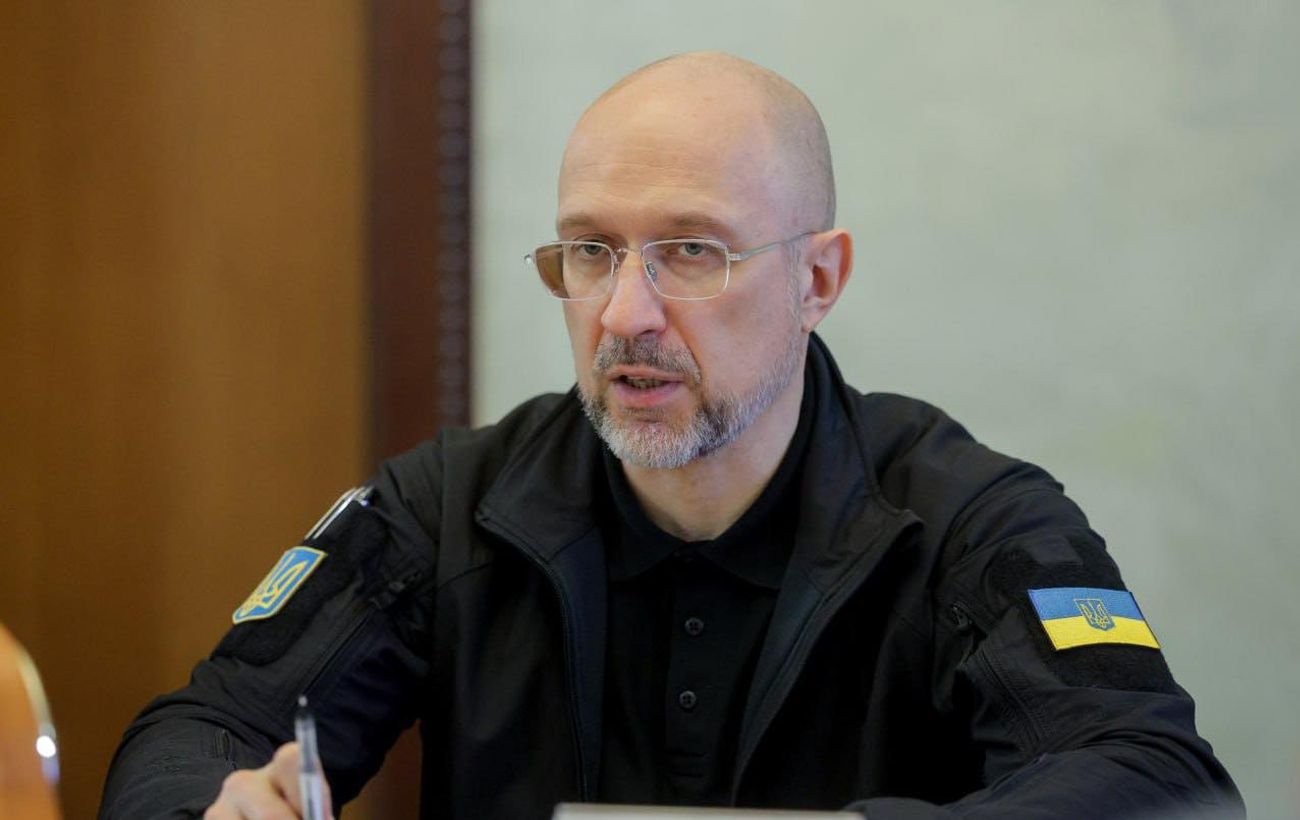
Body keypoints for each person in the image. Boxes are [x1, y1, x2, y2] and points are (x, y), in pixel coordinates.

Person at [100, 52, 1243, 820]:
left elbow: (1156, 778)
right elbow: (196, 730)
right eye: (590, 251)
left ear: (817, 278)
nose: (624, 313)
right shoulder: (447, 509)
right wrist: (215, 805)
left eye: (691, 251)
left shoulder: (966, 525)